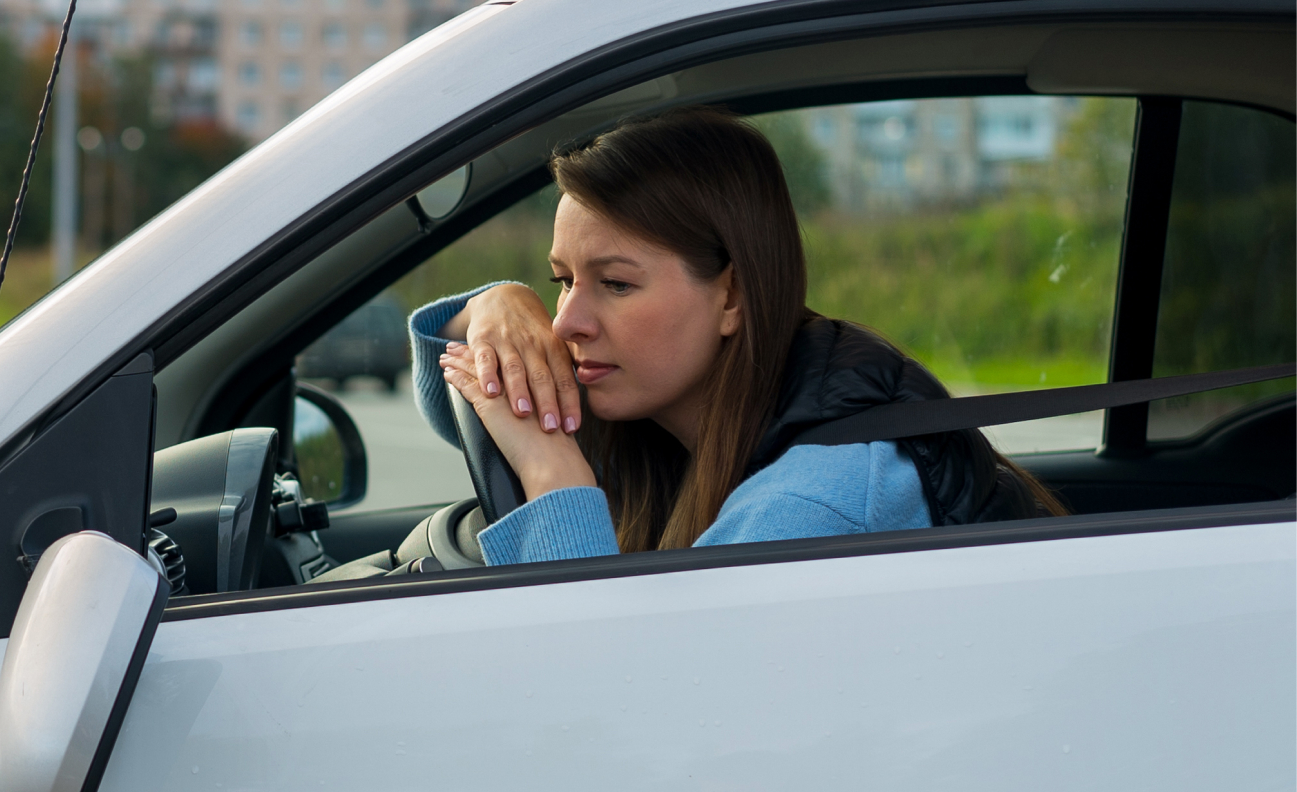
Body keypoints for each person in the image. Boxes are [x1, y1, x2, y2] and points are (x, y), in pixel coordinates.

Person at [408, 107, 1062, 566]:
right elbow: (454, 400)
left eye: (615, 284)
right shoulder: (697, 408)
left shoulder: (809, 503)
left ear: (733, 294)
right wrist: (496, 305)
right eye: (559, 281)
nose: (564, 323)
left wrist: (553, 478)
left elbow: (619, 704)